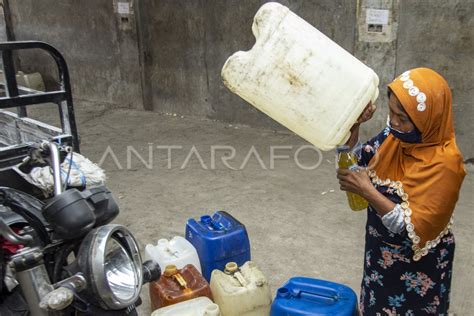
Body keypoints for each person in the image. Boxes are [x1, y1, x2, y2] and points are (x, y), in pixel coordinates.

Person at [337, 68, 466, 315]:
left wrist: (368, 191)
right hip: (380, 259)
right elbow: (357, 161)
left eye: (403, 118)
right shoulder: (395, 137)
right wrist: (353, 125)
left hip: (417, 270)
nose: (394, 123)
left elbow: (413, 229)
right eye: (392, 113)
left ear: (429, 119)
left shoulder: (445, 165)